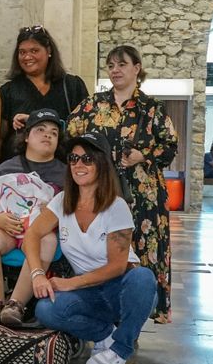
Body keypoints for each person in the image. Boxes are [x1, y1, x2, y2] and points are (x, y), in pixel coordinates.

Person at [23, 132, 157, 364]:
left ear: (101, 163)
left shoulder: (116, 207)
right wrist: (37, 274)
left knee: (144, 278)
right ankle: (104, 334)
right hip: (89, 292)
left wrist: (70, 283)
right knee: (45, 310)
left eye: (87, 159)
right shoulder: (62, 201)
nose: (79, 165)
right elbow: (31, 235)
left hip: (122, 290)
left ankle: (121, 349)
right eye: (74, 158)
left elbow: (117, 267)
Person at [67, 45, 177, 324]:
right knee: (104, 251)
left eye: (122, 64)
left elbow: (170, 147)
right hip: (103, 189)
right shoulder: (94, 104)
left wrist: (144, 155)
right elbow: (68, 131)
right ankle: (105, 312)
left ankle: (135, 317)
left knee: (142, 253)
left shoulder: (151, 109)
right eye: (111, 65)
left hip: (143, 194)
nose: (115, 70)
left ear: (137, 68)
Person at [0, 109, 66, 326]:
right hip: (8, 231)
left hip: (40, 235)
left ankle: (16, 304)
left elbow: (73, 215)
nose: (47, 135)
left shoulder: (65, 174)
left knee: (48, 240)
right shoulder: (6, 168)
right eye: (40, 130)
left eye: (54, 133)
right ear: (26, 136)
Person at [0, 25, 88, 163]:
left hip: (62, 169)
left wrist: (34, 120)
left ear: (49, 51)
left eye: (34, 50)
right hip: (20, 174)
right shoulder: (8, 91)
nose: (27, 57)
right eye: (22, 52)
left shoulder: (72, 86)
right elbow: (0, 137)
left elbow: (84, 128)